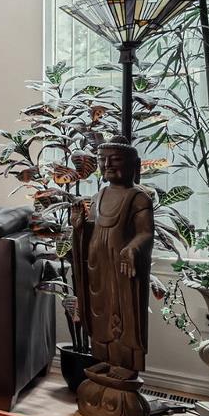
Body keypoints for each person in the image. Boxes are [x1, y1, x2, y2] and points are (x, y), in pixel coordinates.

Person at [72, 140, 154, 374]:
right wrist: (78, 227)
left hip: (121, 268)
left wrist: (133, 249)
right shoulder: (99, 196)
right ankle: (105, 359)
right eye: (102, 159)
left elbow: (146, 232)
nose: (107, 164)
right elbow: (92, 229)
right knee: (101, 312)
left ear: (133, 165)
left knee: (124, 314)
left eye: (115, 159)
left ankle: (126, 364)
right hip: (98, 266)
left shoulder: (138, 198)